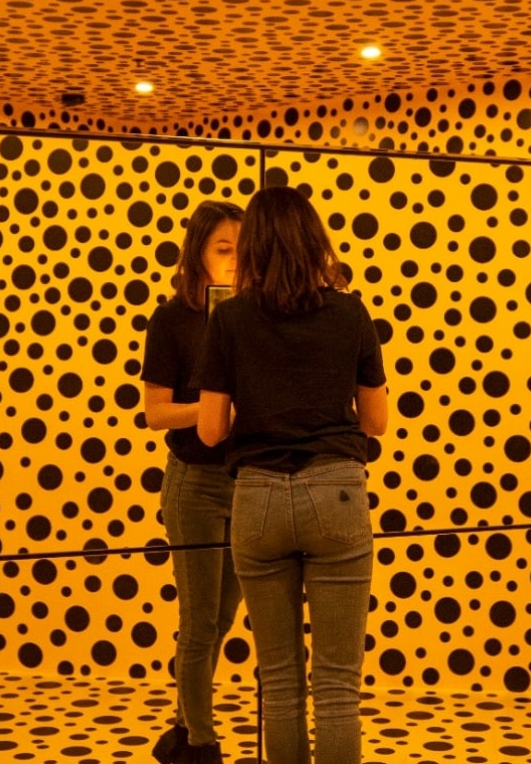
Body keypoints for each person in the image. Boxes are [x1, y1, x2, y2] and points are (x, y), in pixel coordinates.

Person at [194, 185, 389, 764]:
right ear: (314, 240)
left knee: (278, 681)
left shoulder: (229, 319)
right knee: (337, 686)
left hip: (257, 498)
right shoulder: (351, 313)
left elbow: (210, 430)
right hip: (336, 492)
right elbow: (376, 421)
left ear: (253, 245)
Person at [142, 200, 245, 764]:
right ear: (197, 252)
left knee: (222, 617)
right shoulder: (172, 319)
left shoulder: (250, 314)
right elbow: (155, 413)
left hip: (247, 481)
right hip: (194, 483)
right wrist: (213, 409)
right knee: (200, 620)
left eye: (243, 250)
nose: (234, 260)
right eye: (223, 249)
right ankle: (201, 744)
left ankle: (184, 728)